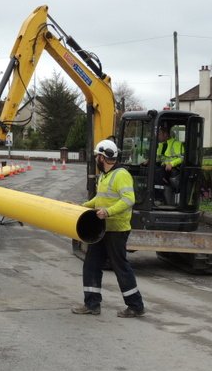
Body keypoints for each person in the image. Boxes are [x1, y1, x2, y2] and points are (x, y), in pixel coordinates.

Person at [72, 139, 146, 318]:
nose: (96, 158)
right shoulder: (105, 175)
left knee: (120, 266)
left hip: (117, 230)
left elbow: (129, 199)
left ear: (103, 157)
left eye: (98, 155)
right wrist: (81, 207)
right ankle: (92, 304)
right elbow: (99, 199)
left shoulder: (121, 175)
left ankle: (136, 306)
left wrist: (108, 212)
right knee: (91, 264)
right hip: (103, 228)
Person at [154, 125, 184, 204]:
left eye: (160, 134)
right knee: (150, 170)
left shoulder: (176, 144)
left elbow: (182, 158)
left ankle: (160, 199)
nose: (158, 136)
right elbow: (159, 158)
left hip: (173, 169)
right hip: (163, 168)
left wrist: (171, 164)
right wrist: (149, 161)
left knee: (157, 174)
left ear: (165, 134)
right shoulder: (161, 145)